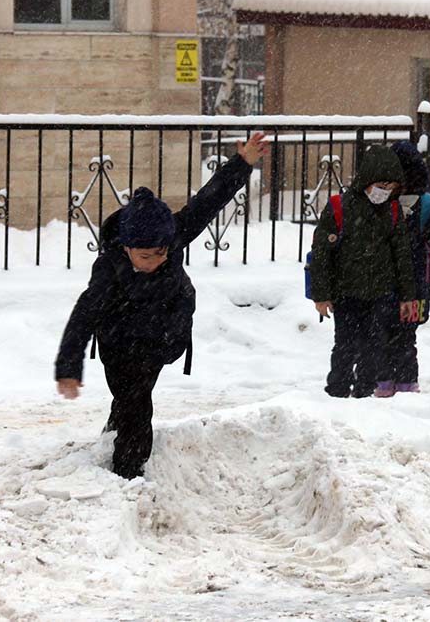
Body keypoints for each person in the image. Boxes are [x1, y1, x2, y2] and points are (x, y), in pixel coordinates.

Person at [55, 133, 269, 480]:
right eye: (145, 256)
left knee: (134, 398)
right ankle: (128, 473)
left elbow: (207, 202)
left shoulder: (173, 234)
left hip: (160, 339)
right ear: (126, 247)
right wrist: (68, 366)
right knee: (137, 405)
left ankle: (117, 427)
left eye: (161, 253)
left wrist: (241, 164)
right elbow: (84, 314)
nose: (155, 261)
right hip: (120, 344)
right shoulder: (110, 269)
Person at [308, 144, 418, 399]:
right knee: (345, 345)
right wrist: (321, 295)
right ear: (367, 180)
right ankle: (337, 390)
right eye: (381, 185)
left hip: (380, 294)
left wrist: (407, 296)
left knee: (374, 346)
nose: (385, 192)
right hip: (346, 294)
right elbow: (322, 255)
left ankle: (365, 392)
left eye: (391, 188)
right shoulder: (339, 207)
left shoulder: (391, 211)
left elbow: (401, 255)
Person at [373, 141, 430, 397]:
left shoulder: (425, 205)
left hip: (412, 287)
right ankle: (386, 382)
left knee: (403, 337)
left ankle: (403, 383)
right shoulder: (379, 202)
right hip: (387, 285)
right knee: (384, 335)